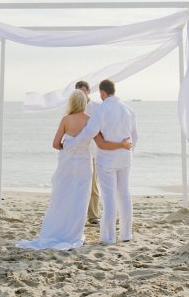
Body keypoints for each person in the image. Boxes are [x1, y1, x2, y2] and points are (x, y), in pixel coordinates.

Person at [16, 89, 131, 250]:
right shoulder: (91, 120)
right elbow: (102, 144)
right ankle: (74, 234)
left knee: (63, 196)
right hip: (84, 164)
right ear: (84, 103)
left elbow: (55, 144)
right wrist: (122, 145)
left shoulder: (65, 120)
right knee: (80, 199)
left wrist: (69, 147)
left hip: (67, 163)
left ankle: (57, 229)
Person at [69, 78, 138, 244]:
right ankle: (126, 234)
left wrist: (71, 144)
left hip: (106, 159)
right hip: (125, 157)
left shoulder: (101, 110)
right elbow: (135, 136)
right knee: (124, 193)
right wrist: (128, 151)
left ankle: (108, 237)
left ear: (102, 93)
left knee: (109, 197)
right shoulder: (128, 109)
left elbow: (89, 132)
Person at [75, 80, 102, 225]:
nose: (81, 95)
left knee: (93, 185)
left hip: (93, 151)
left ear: (88, 91)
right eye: (78, 92)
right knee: (77, 184)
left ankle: (93, 216)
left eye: (83, 91)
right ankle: (77, 215)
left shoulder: (97, 107)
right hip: (77, 152)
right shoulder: (74, 108)